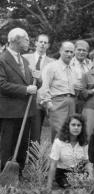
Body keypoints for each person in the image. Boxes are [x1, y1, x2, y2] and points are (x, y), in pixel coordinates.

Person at [0, 27, 37, 172]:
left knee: (22, 144)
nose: (29, 41)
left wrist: (36, 79)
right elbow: (1, 84)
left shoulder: (25, 60)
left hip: (25, 111)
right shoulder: (2, 59)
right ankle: (4, 174)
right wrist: (25, 90)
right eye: (26, 38)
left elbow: (32, 84)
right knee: (7, 145)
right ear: (16, 40)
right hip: (9, 111)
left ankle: (18, 172)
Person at [38, 41, 81, 142]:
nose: (69, 54)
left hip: (71, 102)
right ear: (60, 51)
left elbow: (76, 88)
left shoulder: (74, 69)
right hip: (57, 102)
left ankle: (67, 157)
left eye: (71, 52)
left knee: (70, 132)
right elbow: (44, 86)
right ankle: (55, 157)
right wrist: (48, 103)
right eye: (66, 51)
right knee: (60, 132)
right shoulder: (51, 67)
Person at [23, 34, 54, 143]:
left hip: (40, 102)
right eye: (40, 42)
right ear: (36, 43)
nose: (42, 44)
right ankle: (20, 158)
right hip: (25, 100)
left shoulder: (53, 63)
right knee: (22, 132)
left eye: (45, 42)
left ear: (48, 45)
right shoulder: (25, 58)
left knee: (36, 134)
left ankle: (33, 159)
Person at [47, 114, 92, 189]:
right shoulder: (59, 142)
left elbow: (87, 162)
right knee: (75, 188)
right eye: (73, 125)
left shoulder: (84, 142)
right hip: (63, 173)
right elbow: (53, 165)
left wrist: (91, 175)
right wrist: (49, 185)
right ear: (68, 126)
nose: (76, 127)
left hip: (79, 171)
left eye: (79, 125)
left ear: (82, 127)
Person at [70, 40, 92, 113]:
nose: (81, 52)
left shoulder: (91, 64)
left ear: (87, 52)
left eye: (84, 50)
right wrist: (72, 84)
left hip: (87, 99)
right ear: (74, 50)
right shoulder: (68, 63)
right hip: (72, 97)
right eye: (79, 50)